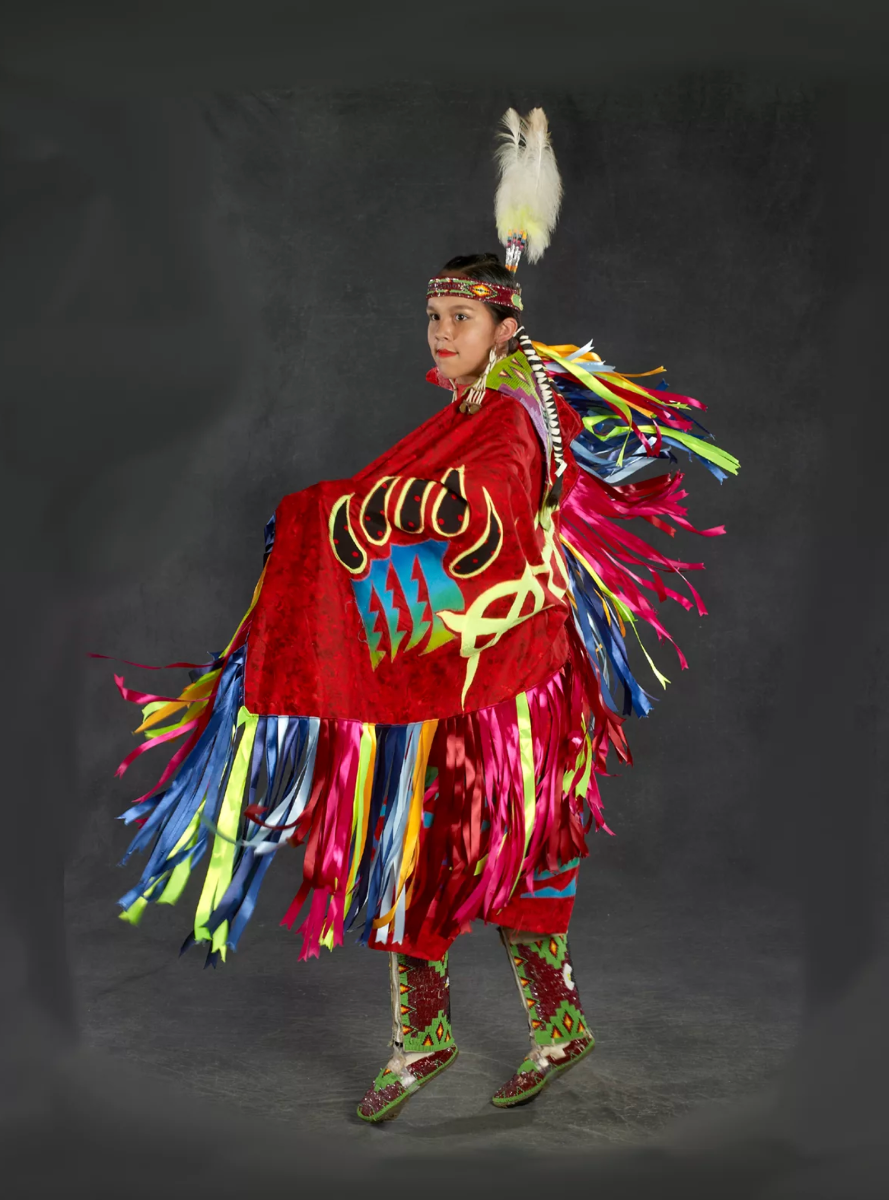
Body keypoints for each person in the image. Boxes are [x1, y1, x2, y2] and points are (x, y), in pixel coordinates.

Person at [105, 109, 738, 1123]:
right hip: (473, 668)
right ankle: (449, 1031)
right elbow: (420, 501)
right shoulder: (474, 411)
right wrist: (330, 527)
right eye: (433, 319)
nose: (440, 334)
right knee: (443, 847)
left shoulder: (506, 423)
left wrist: (324, 519)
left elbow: (478, 510)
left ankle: (499, 1027)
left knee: (480, 847)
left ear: (502, 325)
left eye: (459, 320)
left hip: (508, 683)